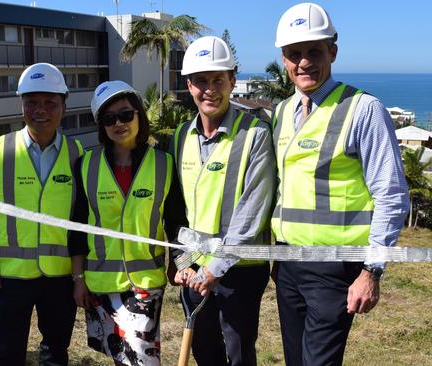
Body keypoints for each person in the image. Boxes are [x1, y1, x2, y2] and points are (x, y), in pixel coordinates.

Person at [270, 3, 410, 365]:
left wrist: (372, 271)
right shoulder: (283, 111)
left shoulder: (363, 109)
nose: (304, 63)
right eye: (294, 54)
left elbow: (391, 195)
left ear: (332, 51)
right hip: (287, 263)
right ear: (284, 60)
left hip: (335, 268)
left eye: (313, 52)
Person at [169, 36, 277, 366]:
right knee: (205, 353)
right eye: (201, 81)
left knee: (239, 354)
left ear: (232, 80)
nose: (210, 90)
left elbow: (253, 212)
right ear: (189, 85)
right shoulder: (180, 136)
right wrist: (182, 264)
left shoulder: (255, 135)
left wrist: (214, 268)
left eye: (218, 80)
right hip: (195, 270)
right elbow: (177, 209)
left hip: (239, 272)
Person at [0, 62, 83, 366]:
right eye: (31, 102)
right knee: (8, 353)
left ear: (63, 106)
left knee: (56, 352)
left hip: (60, 276)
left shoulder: (77, 154)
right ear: (22, 105)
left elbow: (83, 219)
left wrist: (80, 272)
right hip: (11, 276)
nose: (40, 110)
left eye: (49, 103)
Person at [69, 80, 188, 366]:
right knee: (119, 355)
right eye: (109, 119)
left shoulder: (164, 163)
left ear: (139, 115)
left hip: (144, 283)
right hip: (100, 281)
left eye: (125, 114)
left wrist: (179, 263)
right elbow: (77, 228)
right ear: (102, 125)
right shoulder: (86, 164)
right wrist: (78, 279)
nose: (118, 123)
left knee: (142, 359)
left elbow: (175, 222)